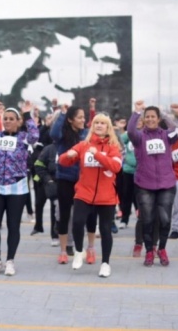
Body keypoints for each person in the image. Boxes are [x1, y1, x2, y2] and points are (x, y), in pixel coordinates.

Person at [0, 99, 39, 276]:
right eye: (6, 118)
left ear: (18, 121)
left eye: (12, 118)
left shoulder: (23, 138)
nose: (8, 121)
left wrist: (27, 114)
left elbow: (35, 136)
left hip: (16, 188)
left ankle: (10, 260)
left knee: (13, 225)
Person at [59, 113, 122, 277]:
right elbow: (62, 161)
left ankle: (105, 263)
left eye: (103, 123)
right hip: (84, 193)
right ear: (92, 126)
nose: (99, 125)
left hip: (106, 195)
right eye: (96, 123)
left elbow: (116, 167)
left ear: (108, 128)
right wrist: (68, 156)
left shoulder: (113, 147)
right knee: (78, 222)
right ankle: (79, 251)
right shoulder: (83, 145)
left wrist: (98, 155)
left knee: (105, 229)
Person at [127, 100, 178, 267]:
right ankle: (148, 251)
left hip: (166, 184)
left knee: (165, 219)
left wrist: (176, 115)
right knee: (147, 220)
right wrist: (137, 112)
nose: (150, 119)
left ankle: (161, 249)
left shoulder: (166, 135)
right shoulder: (139, 137)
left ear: (158, 118)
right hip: (144, 184)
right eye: (147, 117)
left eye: (153, 117)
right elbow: (131, 130)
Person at [49, 102, 97, 264]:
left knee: (89, 214)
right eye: (79, 117)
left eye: (84, 117)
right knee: (64, 214)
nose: (83, 120)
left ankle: (90, 248)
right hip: (65, 178)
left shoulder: (87, 134)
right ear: (71, 120)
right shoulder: (62, 134)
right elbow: (54, 133)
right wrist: (62, 114)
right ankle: (63, 251)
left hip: (85, 179)